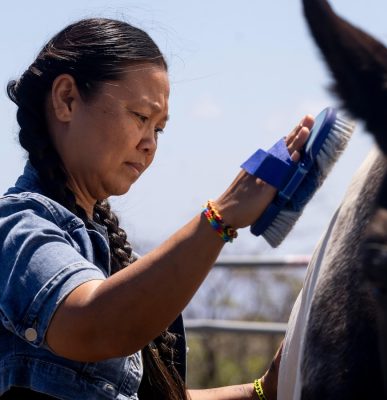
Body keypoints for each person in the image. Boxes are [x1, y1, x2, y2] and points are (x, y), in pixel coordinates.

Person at [0, 18, 314, 400]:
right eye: (141, 117)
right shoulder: (15, 227)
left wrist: (261, 391)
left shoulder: (115, 254)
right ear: (67, 98)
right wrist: (221, 217)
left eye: (159, 129)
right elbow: (95, 326)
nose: (150, 143)